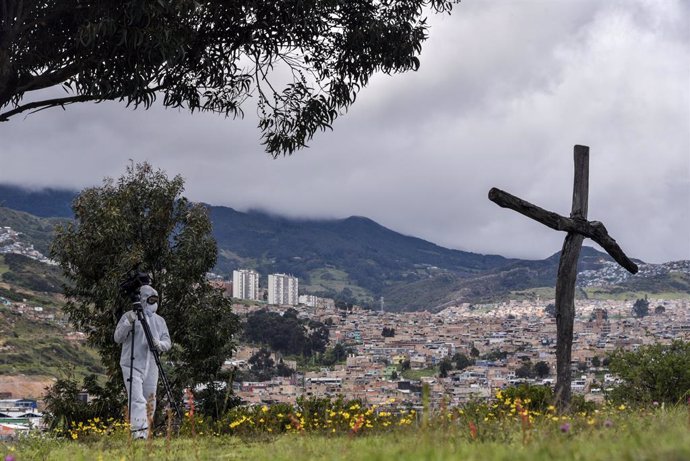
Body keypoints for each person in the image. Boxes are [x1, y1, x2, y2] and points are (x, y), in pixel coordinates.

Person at [114, 284, 171, 439]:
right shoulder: (129, 316)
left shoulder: (159, 321)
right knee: (137, 398)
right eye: (150, 299)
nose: (154, 303)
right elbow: (118, 337)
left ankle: (145, 433)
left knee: (150, 399)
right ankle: (138, 434)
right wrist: (128, 322)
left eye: (156, 299)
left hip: (151, 364)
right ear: (143, 299)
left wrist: (158, 344)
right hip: (131, 363)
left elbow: (167, 343)